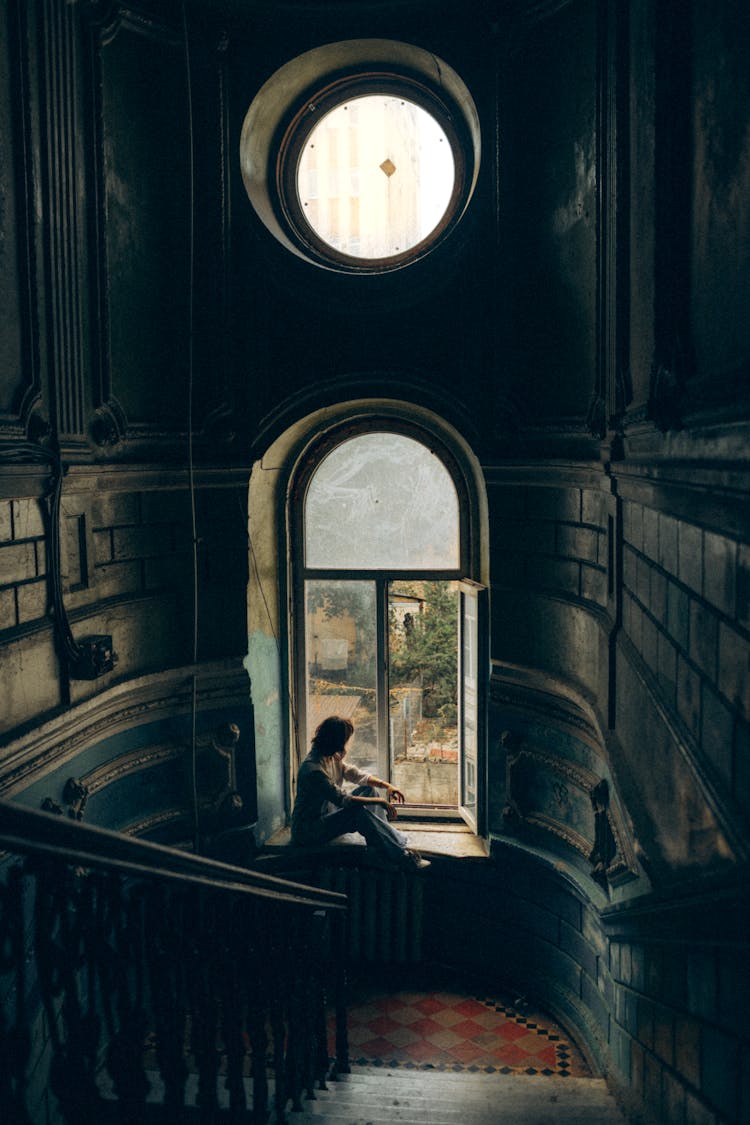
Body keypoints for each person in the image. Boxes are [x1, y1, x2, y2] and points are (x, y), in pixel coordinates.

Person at [291, 715, 431, 870]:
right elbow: (344, 800)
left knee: (368, 790)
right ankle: (399, 854)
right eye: (344, 740)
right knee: (357, 813)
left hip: (328, 814)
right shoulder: (314, 770)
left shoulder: (331, 757)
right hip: (309, 831)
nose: (345, 745)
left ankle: (381, 845)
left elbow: (355, 774)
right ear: (334, 741)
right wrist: (381, 802)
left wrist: (387, 786)